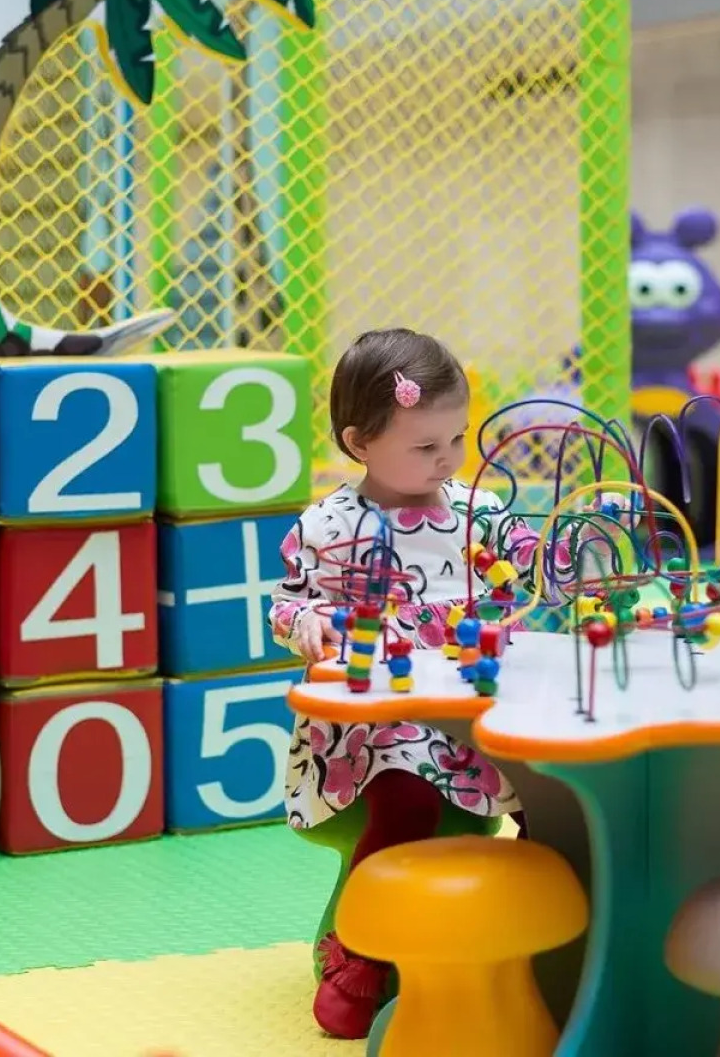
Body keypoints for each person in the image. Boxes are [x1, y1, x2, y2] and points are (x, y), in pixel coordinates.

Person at [269, 328, 529, 1039]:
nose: (447, 459)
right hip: (376, 722)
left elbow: (530, 563)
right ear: (359, 442)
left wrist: (568, 553)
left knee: (563, 788)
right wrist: (312, 624)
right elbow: (288, 603)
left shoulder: (480, 512)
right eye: (426, 447)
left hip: (475, 703)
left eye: (457, 439)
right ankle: (362, 952)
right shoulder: (329, 526)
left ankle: (553, 937)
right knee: (408, 796)